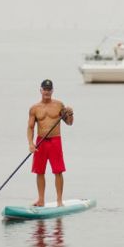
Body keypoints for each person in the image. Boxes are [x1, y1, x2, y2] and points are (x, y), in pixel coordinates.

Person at [27, 79, 74, 207]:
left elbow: (69, 122)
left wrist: (70, 113)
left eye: (49, 89)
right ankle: (41, 200)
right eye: (44, 89)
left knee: (58, 171)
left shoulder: (59, 105)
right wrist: (31, 144)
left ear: (52, 90)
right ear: (40, 90)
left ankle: (59, 201)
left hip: (55, 141)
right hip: (40, 141)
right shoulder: (34, 108)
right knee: (39, 171)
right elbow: (30, 127)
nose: (47, 92)